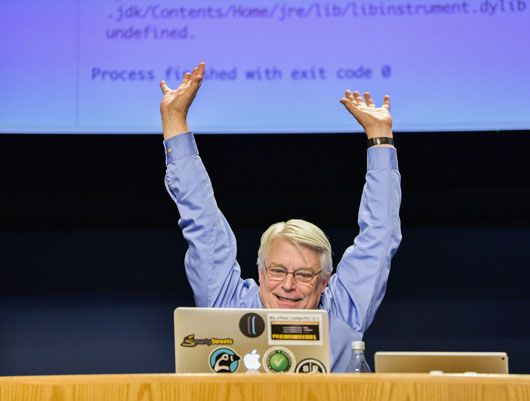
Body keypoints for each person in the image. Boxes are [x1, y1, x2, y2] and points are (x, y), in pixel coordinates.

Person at [160, 62, 401, 372]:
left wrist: (379, 136)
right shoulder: (229, 306)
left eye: (304, 275)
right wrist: (174, 120)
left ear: (324, 281)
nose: (288, 285)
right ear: (260, 273)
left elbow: (379, 236)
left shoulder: (342, 310)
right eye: (277, 271)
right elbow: (202, 221)